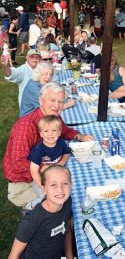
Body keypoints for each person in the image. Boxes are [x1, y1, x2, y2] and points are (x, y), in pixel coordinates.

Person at [2, 81, 93, 209]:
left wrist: (79, 136)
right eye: (52, 100)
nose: (57, 105)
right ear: (41, 100)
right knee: (60, 202)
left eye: (61, 101)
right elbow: (18, 163)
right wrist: (46, 169)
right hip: (24, 181)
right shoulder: (26, 126)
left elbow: (65, 130)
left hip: (43, 168)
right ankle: (33, 212)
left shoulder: (52, 118)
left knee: (79, 186)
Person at [4, 165, 81, 259]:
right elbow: (14, 254)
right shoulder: (33, 220)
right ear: (44, 189)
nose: (60, 190)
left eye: (65, 183)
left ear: (71, 185)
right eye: (53, 185)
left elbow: (67, 231)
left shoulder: (67, 202)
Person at [28, 115, 72, 199]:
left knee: (66, 188)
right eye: (46, 131)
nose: (50, 134)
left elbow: (67, 153)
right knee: (45, 196)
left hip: (57, 173)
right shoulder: (38, 150)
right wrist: (42, 187)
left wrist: (61, 163)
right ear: (41, 133)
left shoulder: (61, 142)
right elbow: (34, 172)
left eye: (54, 130)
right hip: (44, 178)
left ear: (59, 132)